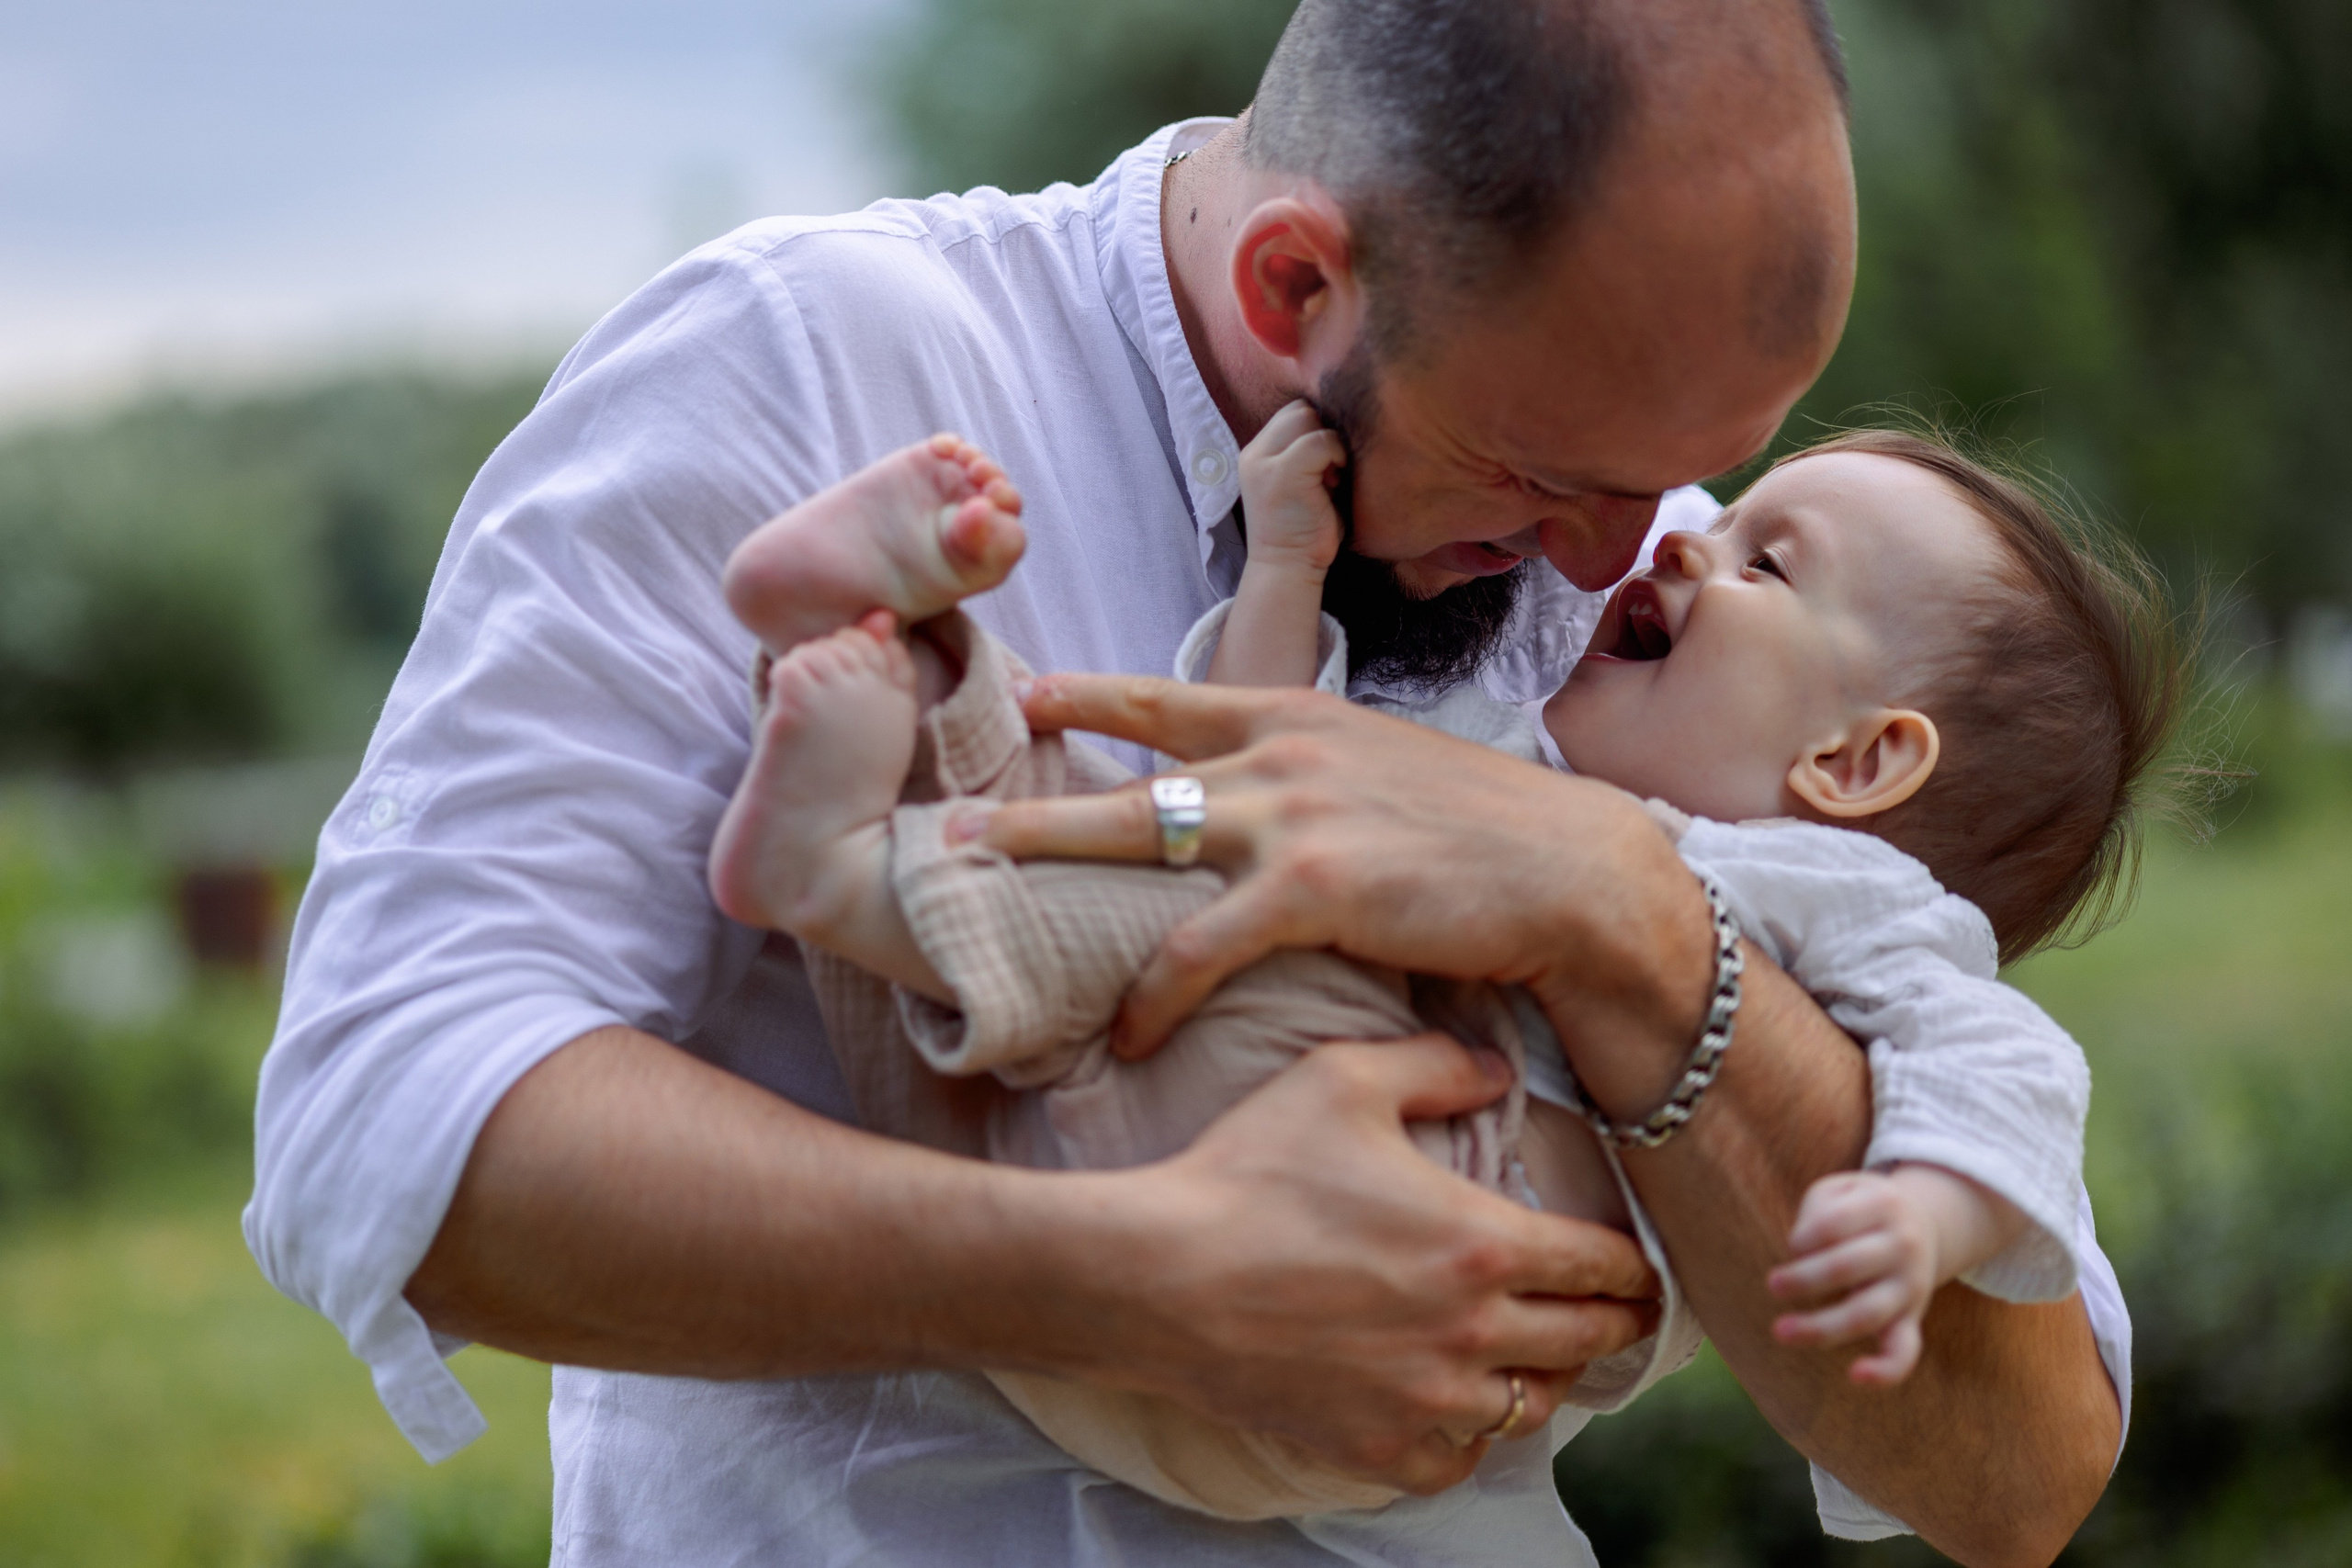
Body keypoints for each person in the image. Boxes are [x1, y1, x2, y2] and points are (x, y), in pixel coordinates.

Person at [246, 2, 2126, 1563]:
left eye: (1701, 475)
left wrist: (1624, 920)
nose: (1610, 563)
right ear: (1294, 278)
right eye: (1544, 474)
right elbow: (383, 1112)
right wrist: (1123, 1272)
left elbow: (2015, 1464)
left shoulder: (1676, 620)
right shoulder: (808, 363)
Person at [703, 415, 2176, 1519]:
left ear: (1857, 761)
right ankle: (886, 656)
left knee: (1123, 906)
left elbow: (2007, 1076)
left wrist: (1918, 1216)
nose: (1681, 537)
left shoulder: (1848, 900)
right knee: (1116, 832)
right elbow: (1265, 749)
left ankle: (850, 858)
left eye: (1763, 557)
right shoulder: (1510, 744)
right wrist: (1289, 564)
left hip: (1407, 1259)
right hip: (1194, 1158)